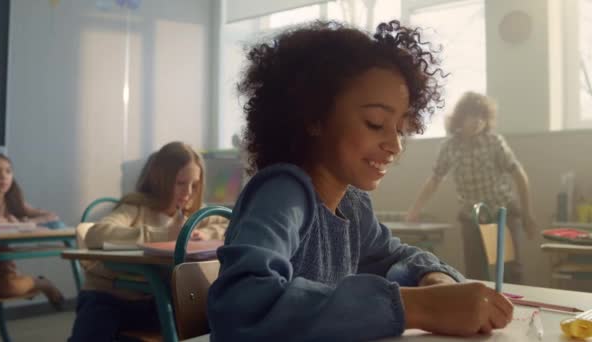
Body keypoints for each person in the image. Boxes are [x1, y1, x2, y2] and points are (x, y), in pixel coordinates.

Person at [207, 21, 514, 341]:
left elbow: (398, 257)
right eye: (375, 123)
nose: (395, 145)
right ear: (314, 116)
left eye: (400, 128)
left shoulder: (351, 205)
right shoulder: (284, 193)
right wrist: (419, 308)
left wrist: (436, 281)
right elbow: (241, 306)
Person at [68, 141, 228, 341]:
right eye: (180, 183)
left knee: (210, 316)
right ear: (161, 180)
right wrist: (165, 234)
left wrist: (206, 233)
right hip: (110, 298)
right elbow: (96, 234)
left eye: (194, 185)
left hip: (155, 300)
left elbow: (232, 223)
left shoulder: (194, 214)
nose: (188, 192)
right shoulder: (136, 207)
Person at [406, 91, 537, 283]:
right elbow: (435, 179)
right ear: (461, 118)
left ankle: (516, 310)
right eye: (473, 116)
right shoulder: (450, 146)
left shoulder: (493, 142)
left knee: (510, 270)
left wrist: (527, 213)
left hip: (502, 213)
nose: (478, 122)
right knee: (475, 271)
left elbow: (519, 175)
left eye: (482, 117)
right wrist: (415, 210)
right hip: (472, 217)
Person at [0, 153, 64, 308]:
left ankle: (41, 283)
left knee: (10, 287)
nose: (3, 176)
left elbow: (51, 216)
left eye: (8, 171)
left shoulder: (14, 203)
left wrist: (27, 221)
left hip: (0, 268)